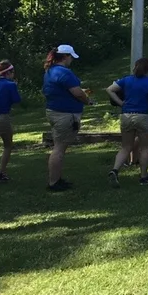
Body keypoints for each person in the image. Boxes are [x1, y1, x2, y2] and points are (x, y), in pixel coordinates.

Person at [106, 58, 148, 186]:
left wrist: (121, 103)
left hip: (126, 115)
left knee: (126, 146)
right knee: (145, 148)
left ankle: (115, 170)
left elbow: (109, 89)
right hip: (143, 116)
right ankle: (143, 177)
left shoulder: (126, 80)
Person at [43, 45, 89, 192]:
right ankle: (53, 182)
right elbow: (77, 93)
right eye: (70, 57)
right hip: (65, 114)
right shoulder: (65, 73)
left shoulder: (50, 71)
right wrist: (87, 100)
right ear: (65, 57)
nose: (71, 60)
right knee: (59, 149)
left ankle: (56, 178)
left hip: (54, 111)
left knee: (59, 146)